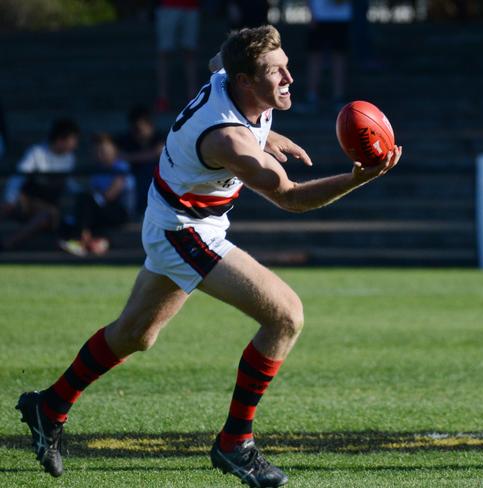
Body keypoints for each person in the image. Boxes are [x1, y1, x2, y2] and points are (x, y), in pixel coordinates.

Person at [16, 25, 401, 487]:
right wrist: (359, 178)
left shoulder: (232, 76)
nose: (289, 79)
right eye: (275, 71)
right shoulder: (228, 141)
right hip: (185, 228)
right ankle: (235, 443)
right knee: (286, 317)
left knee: (137, 335)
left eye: (286, 64)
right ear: (243, 82)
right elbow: (292, 198)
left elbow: (219, 61)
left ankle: (49, 405)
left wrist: (265, 136)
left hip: (179, 214)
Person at [1, 118, 79, 251]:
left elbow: (70, 184)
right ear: (61, 139)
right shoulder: (37, 152)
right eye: (73, 140)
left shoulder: (70, 159)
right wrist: (10, 199)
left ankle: (7, 244)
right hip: (27, 201)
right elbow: (18, 176)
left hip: (48, 208)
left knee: (48, 214)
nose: (75, 145)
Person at [59, 133, 131, 257]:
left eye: (103, 150)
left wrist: (93, 198)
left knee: (85, 201)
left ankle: (80, 241)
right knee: (70, 218)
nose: (100, 154)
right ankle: (90, 241)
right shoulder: (97, 170)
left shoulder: (121, 167)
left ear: (114, 150)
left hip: (119, 210)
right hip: (100, 210)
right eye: (97, 151)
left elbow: (110, 195)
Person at [300, 0, 352, 111]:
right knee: (314, 57)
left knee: (339, 57)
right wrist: (311, 13)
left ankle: (338, 97)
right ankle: (311, 97)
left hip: (341, 17)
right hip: (319, 16)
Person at [116, 105, 165, 216]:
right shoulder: (126, 140)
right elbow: (118, 155)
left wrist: (131, 157)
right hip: (134, 179)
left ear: (150, 125)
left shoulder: (160, 137)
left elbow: (158, 152)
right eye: (134, 128)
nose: (136, 132)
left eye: (139, 128)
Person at [155, 0, 200, 112]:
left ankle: (192, 96)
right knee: (165, 53)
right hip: (168, 5)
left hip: (191, 6)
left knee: (189, 53)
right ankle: (162, 97)